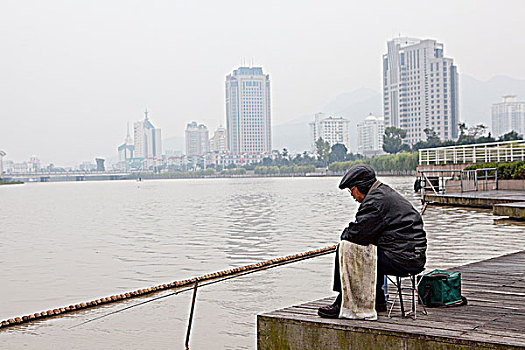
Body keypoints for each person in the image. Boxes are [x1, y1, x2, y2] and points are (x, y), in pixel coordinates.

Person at [318, 164, 427, 318]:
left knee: (345, 248)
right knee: (370, 247)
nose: (353, 196)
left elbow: (354, 236)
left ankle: (342, 301)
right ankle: (378, 299)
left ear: (359, 187)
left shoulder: (374, 203)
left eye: (352, 191)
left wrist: (345, 234)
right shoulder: (383, 193)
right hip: (413, 256)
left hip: (403, 259)